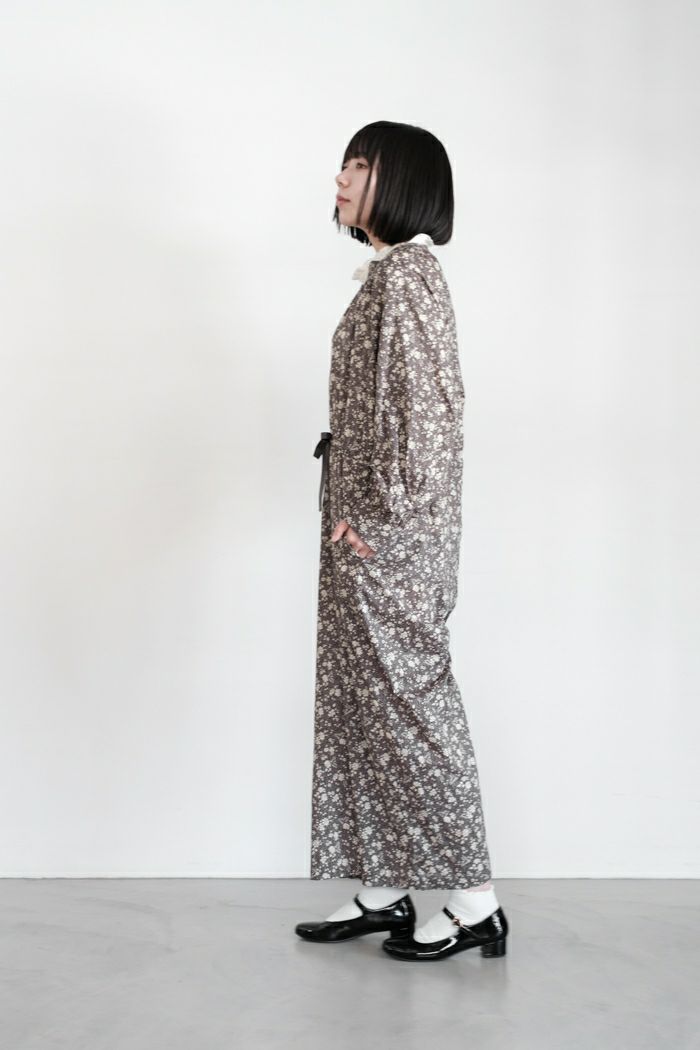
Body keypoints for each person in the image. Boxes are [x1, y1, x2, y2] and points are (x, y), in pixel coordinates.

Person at [296, 121, 509, 962]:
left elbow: (427, 416)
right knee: (366, 706)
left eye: (360, 165)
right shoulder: (390, 275)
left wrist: (375, 517)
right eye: (343, 164)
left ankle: (476, 903)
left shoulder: (410, 276)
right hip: (364, 530)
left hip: (388, 538)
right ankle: (387, 886)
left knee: (412, 707)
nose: (342, 178)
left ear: (404, 181)